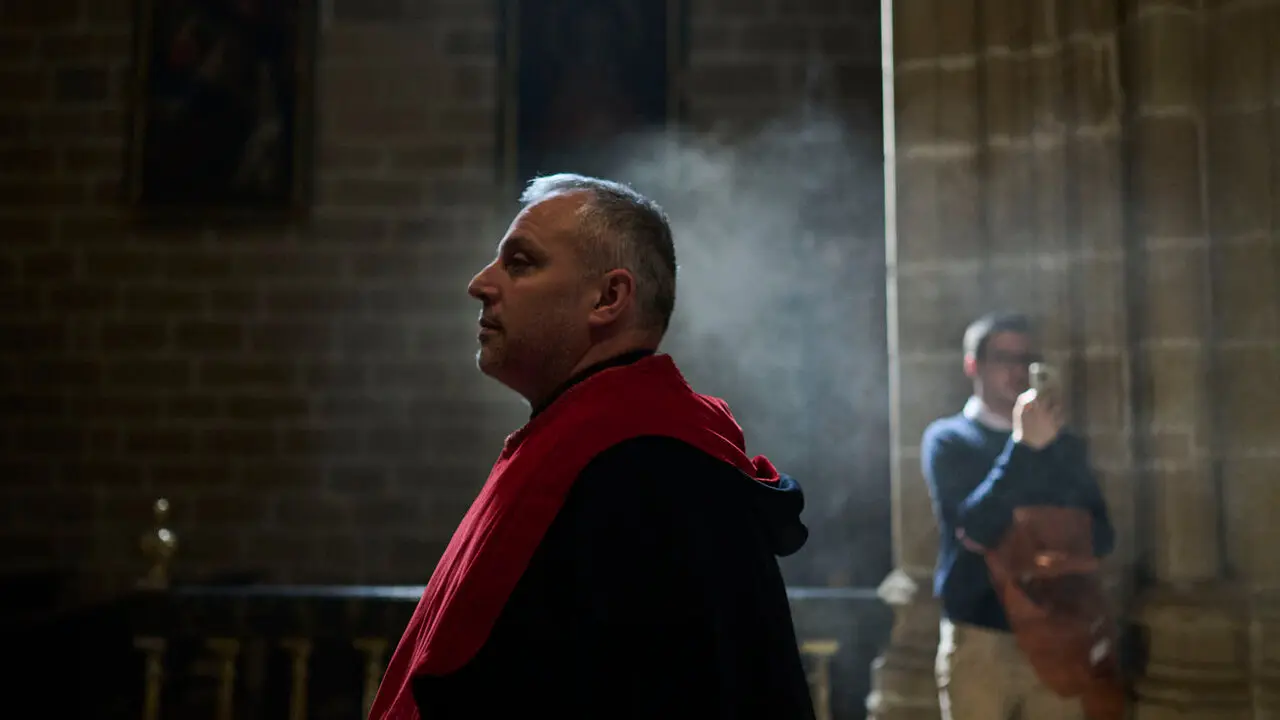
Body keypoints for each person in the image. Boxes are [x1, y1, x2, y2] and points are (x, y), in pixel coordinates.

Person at [368, 173, 817, 720]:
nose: (480, 284)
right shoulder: (587, 443)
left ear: (608, 297)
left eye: (521, 262)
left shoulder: (647, 469)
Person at [921, 312, 1116, 720]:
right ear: (973, 365)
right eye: (1002, 358)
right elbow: (975, 529)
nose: (1016, 371)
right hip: (980, 636)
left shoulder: (1063, 445)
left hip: (1058, 632)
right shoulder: (950, 439)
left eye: (1026, 359)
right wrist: (1023, 447)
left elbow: (1102, 536)